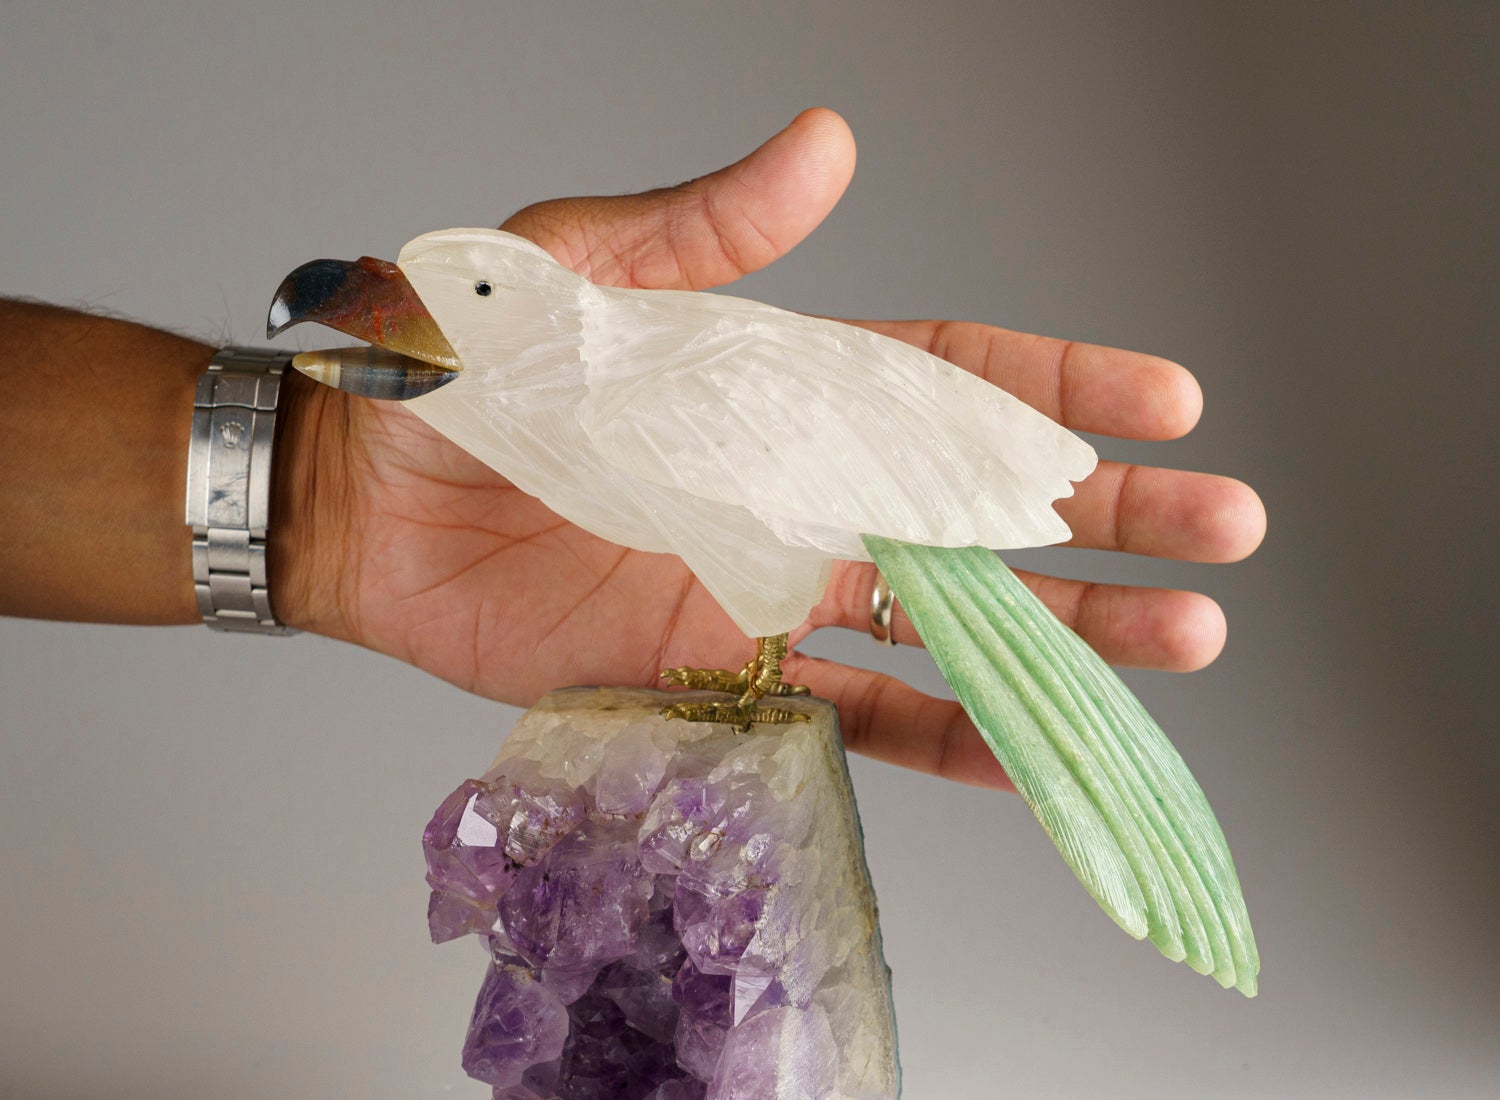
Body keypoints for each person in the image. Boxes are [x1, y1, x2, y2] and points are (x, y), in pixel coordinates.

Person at [0, 110, 1264, 789]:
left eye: (474, 304)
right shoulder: (554, 408)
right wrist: (321, 484)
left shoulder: (633, 392)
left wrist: (322, 481)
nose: (400, 322)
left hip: (891, 513)